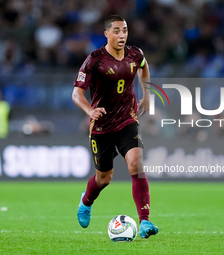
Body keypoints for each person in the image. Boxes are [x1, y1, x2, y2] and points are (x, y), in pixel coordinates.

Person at [72, 15, 158, 239]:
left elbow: (143, 66)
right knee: (104, 179)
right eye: (117, 31)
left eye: (125, 31)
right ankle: (86, 201)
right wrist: (91, 111)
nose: (122, 35)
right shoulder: (94, 60)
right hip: (101, 127)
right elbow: (76, 93)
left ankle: (145, 221)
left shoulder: (135, 53)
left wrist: (147, 94)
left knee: (136, 164)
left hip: (128, 121)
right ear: (107, 34)